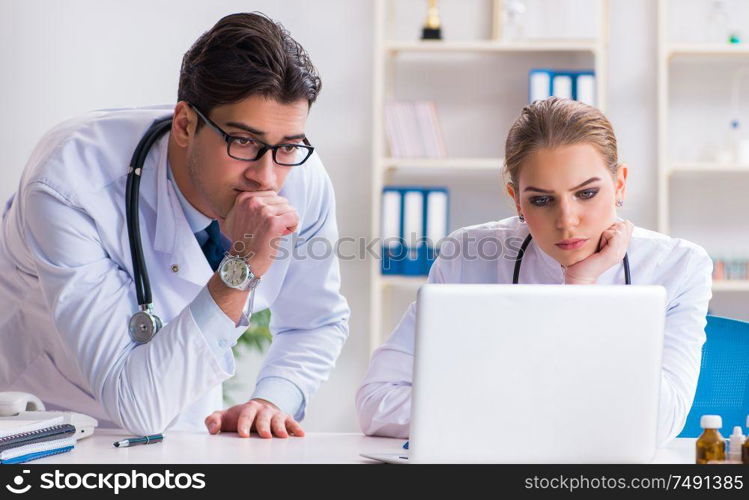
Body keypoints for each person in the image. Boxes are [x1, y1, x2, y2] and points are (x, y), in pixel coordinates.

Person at [0, 12, 350, 439]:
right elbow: (138, 406)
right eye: (243, 141)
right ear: (185, 123)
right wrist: (240, 267)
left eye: (288, 146)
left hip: (182, 430)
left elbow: (315, 322)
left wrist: (272, 399)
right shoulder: (70, 184)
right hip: (46, 428)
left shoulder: (300, 180)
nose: (267, 177)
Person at [356, 97, 712, 446]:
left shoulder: (678, 267)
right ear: (516, 200)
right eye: (542, 200)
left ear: (619, 183)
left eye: (586, 193)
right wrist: (532, 413)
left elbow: (658, 422)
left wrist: (583, 286)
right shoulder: (466, 256)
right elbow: (376, 403)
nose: (567, 220)